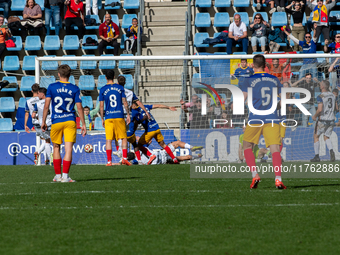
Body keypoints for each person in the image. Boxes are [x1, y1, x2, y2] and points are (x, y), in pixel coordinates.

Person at [240, 54, 285, 189]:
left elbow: (242, 99)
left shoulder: (247, 80)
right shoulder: (274, 79)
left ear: (252, 65)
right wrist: (275, 107)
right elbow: (283, 100)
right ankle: (278, 179)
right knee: (275, 148)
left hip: (255, 118)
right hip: (272, 117)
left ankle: (255, 175)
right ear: (266, 65)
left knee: (247, 146)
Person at [42, 64, 87, 182]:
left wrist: (43, 121)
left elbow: (46, 106)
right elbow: (79, 107)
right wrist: (83, 124)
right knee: (68, 149)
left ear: (58, 74)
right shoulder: (74, 88)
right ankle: (66, 176)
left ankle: (57, 176)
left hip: (56, 121)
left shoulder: (52, 87)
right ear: (70, 75)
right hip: (70, 121)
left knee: (56, 147)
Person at [99, 70, 131, 166]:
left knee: (108, 139)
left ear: (105, 77)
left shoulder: (102, 89)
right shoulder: (120, 87)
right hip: (119, 116)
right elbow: (125, 102)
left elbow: (101, 106)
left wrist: (102, 118)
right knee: (124, 138)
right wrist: (128, 114)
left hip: (108, 117)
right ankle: (124, 158)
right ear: (114, 77)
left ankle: (109, 161)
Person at [311, 80, 337, 162]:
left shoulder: (320, 96)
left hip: (323, 120)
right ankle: (331, 151)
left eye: (320, 84)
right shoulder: (333, 95)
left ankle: (317, 156)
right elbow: (336, 108)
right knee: (326, 137)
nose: (319, 85)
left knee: (316, 136)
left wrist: (314, 116)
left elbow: (320, 109)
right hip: (331, 119)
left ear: (322, 86)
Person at [129, 140, 203, 165]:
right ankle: (191, 148)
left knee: (182, 158)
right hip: (161, 154)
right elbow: (145, 142)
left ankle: (197, 157)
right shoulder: (140, 149)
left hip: (161, 162)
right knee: (177, 143)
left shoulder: (137, 162)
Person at [32, 87, 53, 165]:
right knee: (55, 141)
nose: (37, 95)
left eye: (38, 94)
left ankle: (50, 159)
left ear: (42, 94)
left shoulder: (37, 104)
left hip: (43, 125)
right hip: (52, 123)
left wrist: (38, 117)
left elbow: (33, 115)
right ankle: (53, 157)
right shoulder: (51, 101)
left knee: (47, 140)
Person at [24, 84, 43, 164]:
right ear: (39, 91)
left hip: (34, 122)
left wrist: (25, 125)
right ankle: (38, 152)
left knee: (43, 139)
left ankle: (46, 160)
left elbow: (27, 114)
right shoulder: (42, 99)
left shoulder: (28, 101)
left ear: (31, 91)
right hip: (43, 121)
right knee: (47, 140)